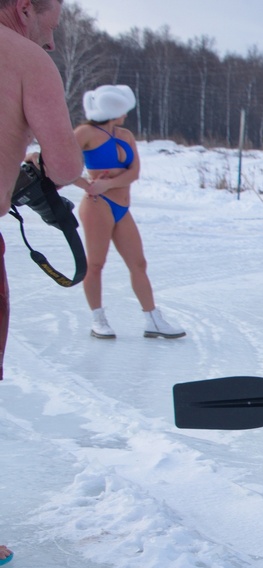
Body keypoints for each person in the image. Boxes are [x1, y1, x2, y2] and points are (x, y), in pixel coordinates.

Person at [1, 0, 83, 380]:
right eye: (50, 27)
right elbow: (66, 166)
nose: (50, 43)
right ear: (24, 8)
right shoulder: (26, 57)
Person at [71, 85, 185, 340]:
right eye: (123, 110)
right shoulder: (85, 132)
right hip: (97, 205)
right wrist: (87, 184)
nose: (126, 115)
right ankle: (98, 319)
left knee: (138, 263)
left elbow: (134, 172)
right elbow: (59, 164)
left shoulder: (125, 135)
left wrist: (109, 182)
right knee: (96, 264)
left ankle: (153, 318)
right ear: (113, 110)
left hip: (121, 207)